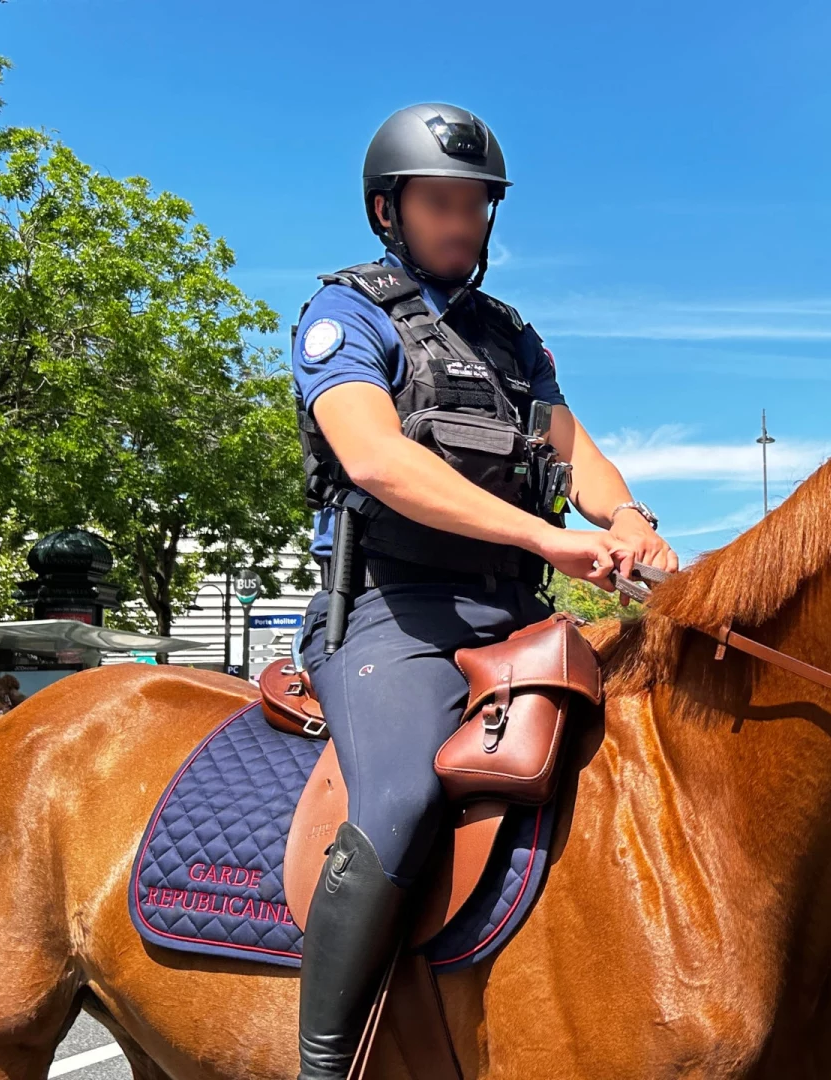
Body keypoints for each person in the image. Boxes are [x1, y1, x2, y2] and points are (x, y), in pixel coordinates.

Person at [288, 103, 678, 1080]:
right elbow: (379, 461)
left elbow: (574, 452)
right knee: (404, 793)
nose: (462, 220)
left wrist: (628, 524)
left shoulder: (514, 343)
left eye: (475, 203)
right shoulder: (345, 316)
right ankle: (325, 1061)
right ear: (390, 210)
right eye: (440, 202)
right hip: (391, 613)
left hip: (515, 615)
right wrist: (551, 536)